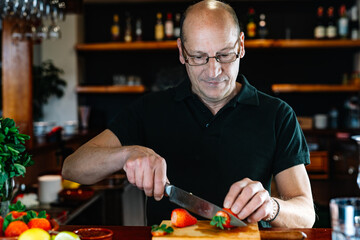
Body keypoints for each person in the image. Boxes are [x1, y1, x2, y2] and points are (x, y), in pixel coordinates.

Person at [62, 0, 315, 228]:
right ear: (182, 52)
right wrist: (127, 154)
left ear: (241, 45)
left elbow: (306, 213)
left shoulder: (277, 115)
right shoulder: (151, 109)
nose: (214, 71)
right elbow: (73, 168)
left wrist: (271, 207)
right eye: (199, 57)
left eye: (225, 55)